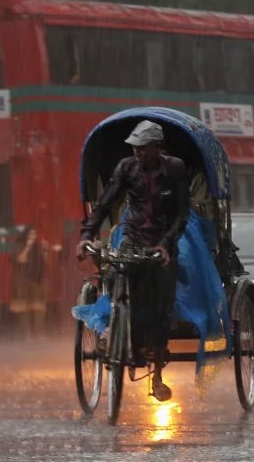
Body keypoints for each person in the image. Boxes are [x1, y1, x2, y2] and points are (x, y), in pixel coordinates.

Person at [76, 119, 189, 402]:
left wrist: (166, 244)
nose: (137, 153)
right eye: (135, 148)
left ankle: (158, 376)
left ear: (156, 148)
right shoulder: (126, 167)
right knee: (114, 273)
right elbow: (105, 202)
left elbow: (182, 214)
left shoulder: (175, 168)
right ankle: (114, 325)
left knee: (161, 305)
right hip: (133, 237)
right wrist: (87, 234)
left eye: (143, 148)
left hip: (164, 241)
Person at [10, 226, 46, 335]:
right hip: (22, 281)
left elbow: (42, 263)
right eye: (30, 235)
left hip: (35, 281)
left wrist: (45, 251)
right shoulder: (19, 246)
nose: (32, 238)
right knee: (23, 309)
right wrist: (28, 246)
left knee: (38, 308)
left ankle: (39, 333)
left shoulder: (37, 247)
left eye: (34, 235)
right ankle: (27, 334)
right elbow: (21, 259)